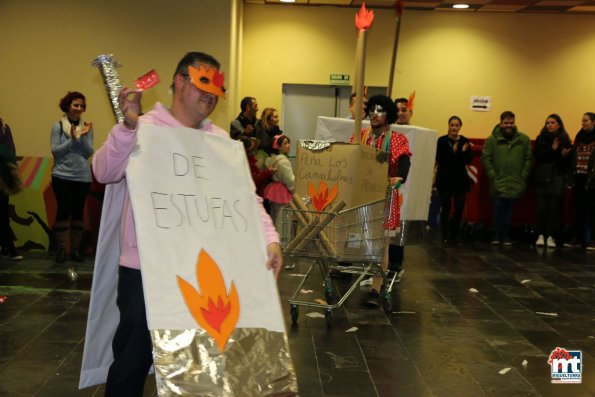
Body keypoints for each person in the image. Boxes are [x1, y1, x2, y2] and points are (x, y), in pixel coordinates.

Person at [92, 52, 282, 397]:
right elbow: (104, 171)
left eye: (215, 91)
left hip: (199, 271)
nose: (210, 97)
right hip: (144, 269)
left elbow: (244, 198)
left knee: (197, 362)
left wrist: (269, 238)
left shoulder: (220, 141)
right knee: (132, 360)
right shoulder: (143, 127)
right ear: (180, 81)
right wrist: (127, 128)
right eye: (202, 86)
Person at [350, 95, 411, 307]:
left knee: (382, 246)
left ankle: (376, 290)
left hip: (385, 195)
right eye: (373, 110)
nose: (375, 115)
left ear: (388, 115)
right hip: (363, 197)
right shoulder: (360, 136)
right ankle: (367, 276)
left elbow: (404, 161)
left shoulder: (397, 139)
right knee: (363, 243)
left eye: (381, 111)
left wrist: (400, 177)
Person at [50, 91, 94, 266]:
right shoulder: (58, 126)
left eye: (82, 106)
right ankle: (61, 250)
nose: (79, 109)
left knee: (77, 211)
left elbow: (88, 152)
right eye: (76, 105)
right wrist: (73, 139)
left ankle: (75, 250)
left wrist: (82, 136)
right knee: (63, 210)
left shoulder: (87, 127)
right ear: (68, 106)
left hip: (82, 176)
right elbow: (56, 151)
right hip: (61, 175)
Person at [481, 111, 532, 245]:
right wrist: (493, 176)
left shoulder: (524, 140)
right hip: (498, 182)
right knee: (498, 209)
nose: (508, 125)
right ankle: (496, 235)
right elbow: (486, 159)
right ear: (500, 123)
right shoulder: (492, 140)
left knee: (509, 211)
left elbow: (529, 159)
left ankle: (506, 235)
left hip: (515, 182)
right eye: (506, 123)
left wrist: (523, 176)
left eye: (511, 123)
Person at [532, 114, 572, 248]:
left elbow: (565, 162)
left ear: (559, 125)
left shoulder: (565, 140)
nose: (549, 125)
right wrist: (552, 150)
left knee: (552, 210)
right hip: (542, 177)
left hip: (556, 177)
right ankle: (540, 235)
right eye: (547, 122)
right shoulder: (541, 138)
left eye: (553, 122)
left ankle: (550, 235)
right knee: (541, 208)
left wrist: (563, 155)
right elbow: (538, 157)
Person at [435, 116, 473, 245]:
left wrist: (461, 153)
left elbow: (468, 159)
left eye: (457, 125)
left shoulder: (465, 141)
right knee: (446, 207)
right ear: (448, 126)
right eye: (452, 125)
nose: (454, 128)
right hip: (445, 180)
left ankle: (454, 235)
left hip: (460, 181)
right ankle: (444, 235)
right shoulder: (441, 141)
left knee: (459, 208)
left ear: (460, 127)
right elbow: (441, 158)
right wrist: (456, 152)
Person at [566, 112, 595, 250]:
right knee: (578, 209)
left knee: (591, 210)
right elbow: (574, 156)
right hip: (578, 176)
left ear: (593, 122)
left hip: (592, 179)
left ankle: (590, 240)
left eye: (586, 121)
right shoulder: (579, 136)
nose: (583, 123)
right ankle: (578, 237)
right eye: (582, 121)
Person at [0, 118, 23, 260]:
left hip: (3, 177)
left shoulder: (4, 128)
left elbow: (10, 151)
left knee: (2, 214)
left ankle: (7, 247)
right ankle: (8, 247)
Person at [264, 134, 294, 230]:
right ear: (278, 147)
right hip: (283, 192)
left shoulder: (272, 160)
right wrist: (294, 190)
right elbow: (289, 180)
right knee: (283, 221)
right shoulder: (283, 162)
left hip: (274, 191)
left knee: (275, 217)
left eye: (288, 142)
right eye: (285, 143)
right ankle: (282, 242)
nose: (289, 145)